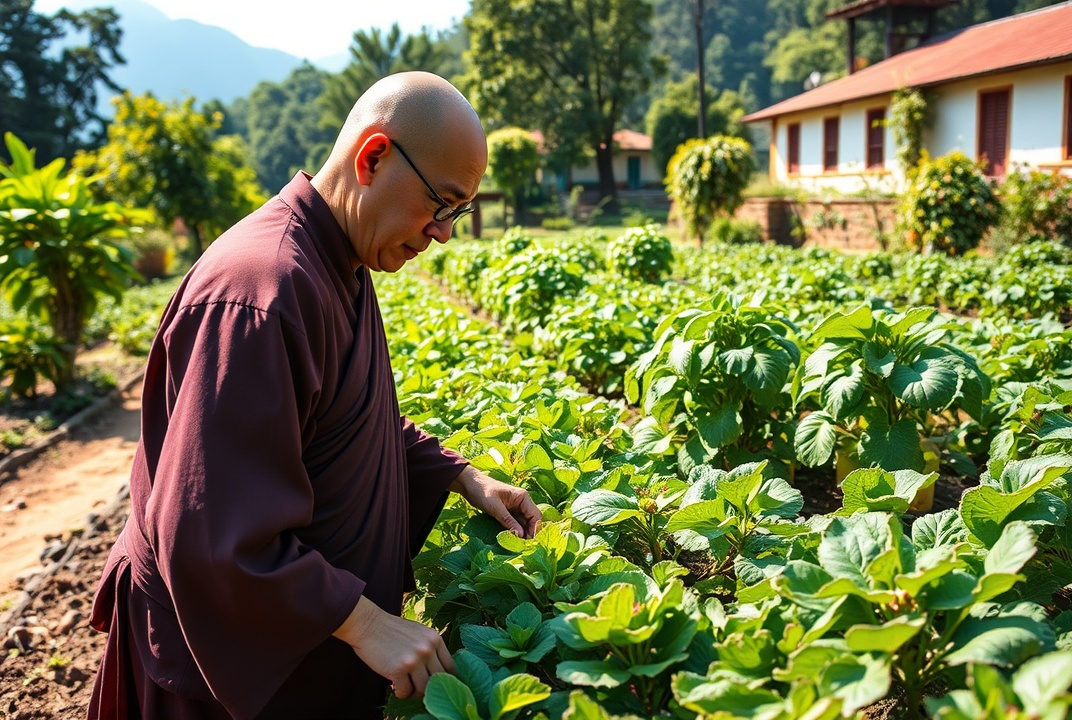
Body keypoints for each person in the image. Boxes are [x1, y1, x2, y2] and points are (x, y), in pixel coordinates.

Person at [86, 71, 541, 720]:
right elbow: (208, 529)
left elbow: (342, 419)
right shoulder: (261, 291)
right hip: (220, 679)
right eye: (441, 204)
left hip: (300, 659)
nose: (443, 233)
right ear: (373, 157)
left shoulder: (337, 259)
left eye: (456, 213)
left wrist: (461, 475)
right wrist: (365, 622)